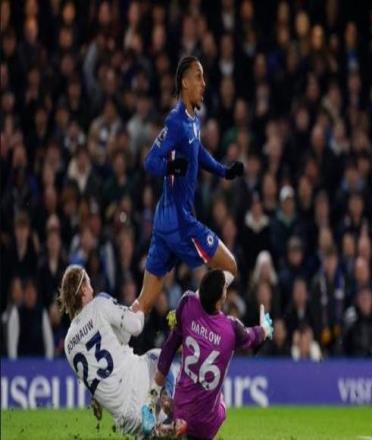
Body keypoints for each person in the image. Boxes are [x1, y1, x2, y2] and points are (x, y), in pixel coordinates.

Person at [135, 56, 244, 315]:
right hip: (179, 221)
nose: (204, 83)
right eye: (198, 77)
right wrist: (171, 167)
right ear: (185, 82)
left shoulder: (193, 120)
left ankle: (113, 334)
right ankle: (193, 316)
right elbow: (150, 161)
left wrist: (224, 171)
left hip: (164, 222)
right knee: (230, 267)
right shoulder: (175, 121)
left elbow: (198, 152)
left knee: (143, 304)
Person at [142, 269, 274, 439]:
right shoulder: (231, 329)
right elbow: (253, 337)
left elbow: (168, 349)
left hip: (181, 406)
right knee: (221, 403)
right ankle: (182, 426)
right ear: (221, 299)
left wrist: (153, 394)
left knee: (178, 393)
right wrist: (265, 329)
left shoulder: (187, 303)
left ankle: (175, 420)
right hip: (207, 424)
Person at [58, 265, 183, 438]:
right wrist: (140, 307)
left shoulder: (68, 343)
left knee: (158, 435)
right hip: (136, 386)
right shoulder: (99, 304)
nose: (92, 289)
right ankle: (160, 409)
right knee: (161, 357)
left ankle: (159, 425)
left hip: (125, 419)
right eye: (89, 284)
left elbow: (120, 339)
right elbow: (136, 327)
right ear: (84, 289)